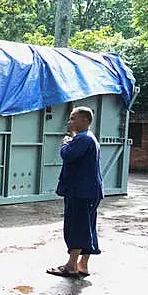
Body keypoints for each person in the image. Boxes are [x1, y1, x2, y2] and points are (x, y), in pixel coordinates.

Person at [47, 106, 103, 278]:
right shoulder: (89, 138)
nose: (69, 121)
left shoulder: (82, 139)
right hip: (89, 191)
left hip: (80, 192)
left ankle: (71, 265)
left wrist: (66, 143)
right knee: (87, 227)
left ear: (85, 120)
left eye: (73, 118)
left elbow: (68, 155)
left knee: (76, 227)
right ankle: (83, 264)